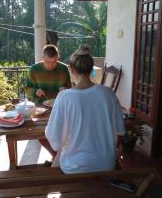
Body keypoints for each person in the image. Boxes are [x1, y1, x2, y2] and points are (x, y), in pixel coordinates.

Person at [45, 44, 125, 174]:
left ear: (71, 69)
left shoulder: (64, 97)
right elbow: (120, 132)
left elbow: (55, 143)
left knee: (57, 159)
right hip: (106, 165)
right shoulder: (108, 94)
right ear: (91, 69)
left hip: (73, 167)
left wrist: (48, 129)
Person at [25, 44, 72, 159]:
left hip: (60, 106)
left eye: (54, 62)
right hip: (41, 108)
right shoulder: (34, 70)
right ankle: (55, 155)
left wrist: (65, 89)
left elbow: (70, 88)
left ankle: (59, 156)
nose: (51, 65)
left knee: (63, 133)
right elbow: (26, 89)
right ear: (42, 58)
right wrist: (35, 91)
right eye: (47, 62)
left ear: (58, 58)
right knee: (40, 134)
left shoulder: (64, 69)